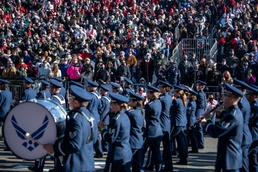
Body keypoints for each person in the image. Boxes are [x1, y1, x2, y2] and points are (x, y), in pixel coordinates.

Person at [43, 85, 96, 172]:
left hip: (76, 165)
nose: (68, 100)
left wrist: (54, 148)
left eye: (70, 98)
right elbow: (94, 139)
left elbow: (75, 145)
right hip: (87, 163)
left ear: (76, 103)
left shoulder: (75, 118)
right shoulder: (90, 116)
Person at [201, 83, 244, 172]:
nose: (222, 98)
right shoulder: (231, 112)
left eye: (225, 96)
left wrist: (207, 121)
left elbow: (216, 132)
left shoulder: (232, 115)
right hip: (226, 158)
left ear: (231, 98)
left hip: (229, 160)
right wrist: (221, 114)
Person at [98, 93, 132, 172]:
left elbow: (110, 139)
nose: (110, 106)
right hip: (125, 153)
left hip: (116, 155)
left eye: (112, 104)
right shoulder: (125, 116)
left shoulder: (116, 119)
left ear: (117, 105)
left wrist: (103, 129)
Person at [142, 84, 163, 171]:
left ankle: (138, 166)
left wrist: (145, 102)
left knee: (141, 149)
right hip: (158, 130)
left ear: (152, 94)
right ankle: (159, 168)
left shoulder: (150, 105)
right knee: (156, 150)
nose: (147, 94)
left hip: (150, 130)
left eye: (148, 93)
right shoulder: (158, 102)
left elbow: (143, 112)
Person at [233, 78, 253, 172]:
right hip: (243, 135)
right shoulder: (242, 101)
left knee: (242, 163)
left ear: (240, 90)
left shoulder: (242, 103)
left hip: (243, 136)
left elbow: (236, 119)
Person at [170, 85, 188, 165]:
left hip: (177, 122)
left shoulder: (177, 101)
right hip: (182, 122)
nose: (173, 93)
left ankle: (167, 157)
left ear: (178, 93)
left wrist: (172, 99)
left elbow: (170, 108)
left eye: (175, 92)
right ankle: (183, 157)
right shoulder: (183, 100)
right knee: (181, 141)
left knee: (169, 139)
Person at [157, 80, 173, 171]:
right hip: (167, 123)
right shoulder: (169, 98)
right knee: (167, 148)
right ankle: (168, 166)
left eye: (160, 87)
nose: (159, 89)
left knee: (156, 146)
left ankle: (158, 166)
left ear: (164, 88)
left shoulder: (161, 99)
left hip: (161, 123)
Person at [127, 91, 144, 172]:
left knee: (127, 164)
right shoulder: (140, 111)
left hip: (132, 141)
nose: (129, 102)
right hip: (139, 140)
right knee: (137, 166)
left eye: (131, 100)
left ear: (135, 102)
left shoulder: (131, 113)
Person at [87, 80, 103, 158]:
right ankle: (99, 151)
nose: (88, 88)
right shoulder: (98, 95)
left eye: (89, 87)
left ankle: (94, 151)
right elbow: (100, 107)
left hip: (91, 116)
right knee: (96, 135)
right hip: (96, 116)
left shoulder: (91, 96)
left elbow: (89, 107)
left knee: (91, 135)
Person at [245, 85, 258, 172]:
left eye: (249, 95)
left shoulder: (255, 107)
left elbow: (249, 121)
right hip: (252, 134)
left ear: (254, 96)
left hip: (254, 134)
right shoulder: (251, 105)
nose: (247, 96)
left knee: (253, 159)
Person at [98, 84, 111, 152]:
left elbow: (100, 109)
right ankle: (106, 146)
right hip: (108, 119)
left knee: (103, 133)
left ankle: (105, 147)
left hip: (103, 119)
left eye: (101, 90)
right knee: (106, 132)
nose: (100, 92)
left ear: (103, 91)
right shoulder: (109, 99)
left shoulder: (102, 100)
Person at [195, 80, 207, 149]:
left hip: (199, 111)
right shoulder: (202, 93)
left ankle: (200, 143)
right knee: (199, 128)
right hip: (202, 110)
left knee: (198, 127)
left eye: (198, 85)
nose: (197, 86)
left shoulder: (199, 94)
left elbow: (201, 104)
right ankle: (200, 142)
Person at [186, 89, 198, 153]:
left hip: (190, 119)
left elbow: (188, 111)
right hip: (193, 118)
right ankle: (194, 147)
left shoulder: (191, 103)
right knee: (192, 134)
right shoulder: (194, 102)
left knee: (192, 135)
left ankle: (195, 148)